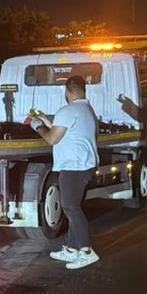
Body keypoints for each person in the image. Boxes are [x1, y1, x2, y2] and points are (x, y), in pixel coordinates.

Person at [33, 74, 100, 269]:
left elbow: (52, 138)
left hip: (73, 166)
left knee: (71, 207)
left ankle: (86, 251)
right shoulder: (87, 110)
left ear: (67, 91)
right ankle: (72, 249)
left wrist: (38, 126)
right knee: (73, 207)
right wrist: (47, 120)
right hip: (85, 164)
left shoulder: (67, 110)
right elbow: (66, 130)